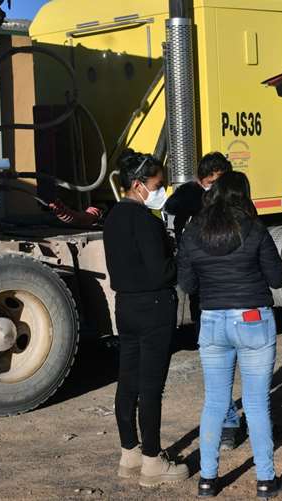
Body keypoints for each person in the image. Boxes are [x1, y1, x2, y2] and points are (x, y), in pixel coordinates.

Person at [177, 171, 282, 498]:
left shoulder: (194, 232)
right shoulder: (254, 229)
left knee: (214, 402)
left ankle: (208, 480)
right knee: (256, 404)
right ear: (244, 195)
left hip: (212, 321)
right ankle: (266, 481)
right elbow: (278, 278)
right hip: (253, 319)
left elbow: (187, 284)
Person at [103, 148, 188, 487]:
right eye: (157, 184)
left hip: (125, 306)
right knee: (151, 387)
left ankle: (130, 453)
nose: (161, 190)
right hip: (153, 307)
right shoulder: (145, 221)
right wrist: (179, 257)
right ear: (138, 185)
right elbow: (160, 271)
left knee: (128, 380)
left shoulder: (112, 218)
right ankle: (153, 461)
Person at [164, 152, 242, 451]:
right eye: (215, 182)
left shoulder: (230, 204)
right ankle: (227, 425)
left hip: (223, 297)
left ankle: (227, 425)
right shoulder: (187, 201)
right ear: (205, 179)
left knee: (226, 365)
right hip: (212, 298)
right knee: (220, 366)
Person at [164, 151, 233, 241]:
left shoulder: (235, 201)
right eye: (211, 183)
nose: (215, 187)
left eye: (218, 182)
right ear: (200, 181)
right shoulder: (189, 202)